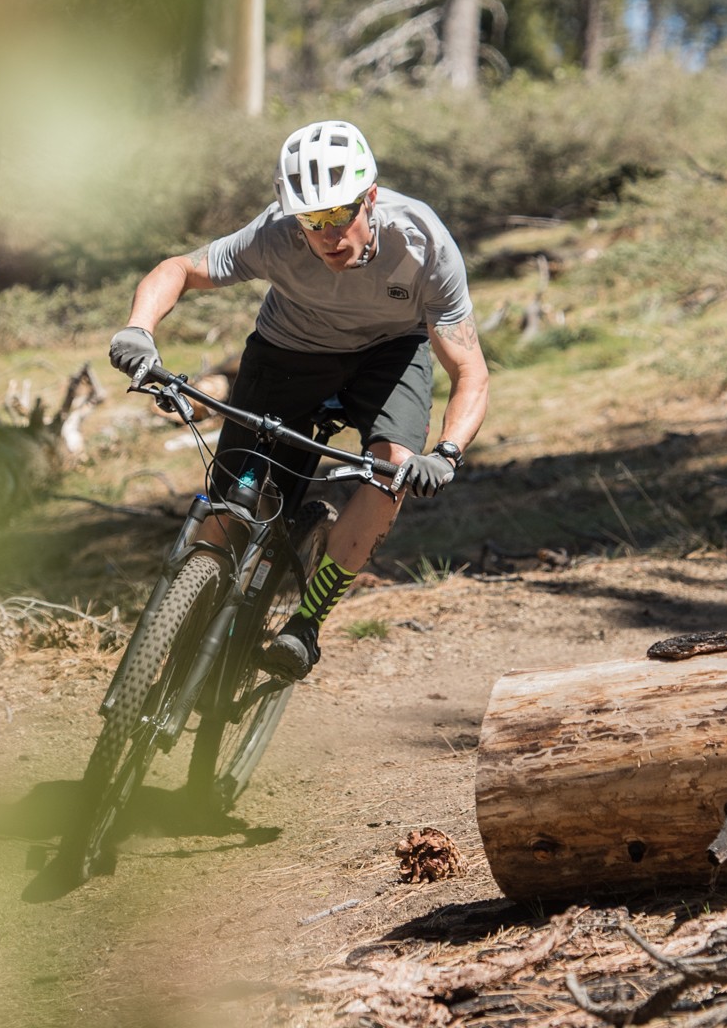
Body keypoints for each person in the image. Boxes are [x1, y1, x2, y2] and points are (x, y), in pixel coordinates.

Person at [108, 120, 489, 681]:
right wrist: (139, 328)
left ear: (370, 198)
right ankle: (181, 633)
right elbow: (180, 269)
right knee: (230, 508)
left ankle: (306, 623)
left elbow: (470, 370)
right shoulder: (275, 234)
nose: (328, 234)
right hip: (289, 350)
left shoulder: (423, 243)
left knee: (393, 470)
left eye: (340, 215)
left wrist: (448, 453)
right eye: (313, 220)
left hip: (390, 354)